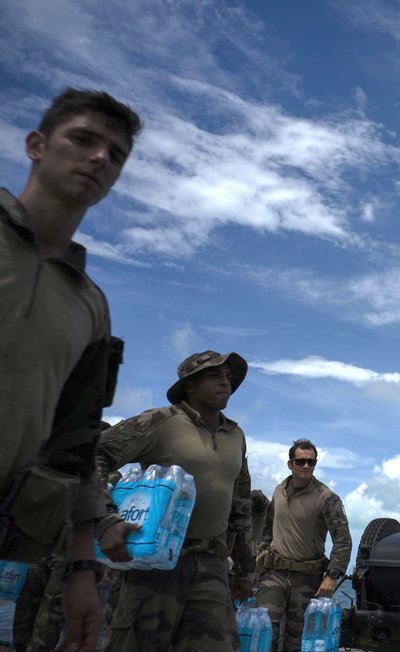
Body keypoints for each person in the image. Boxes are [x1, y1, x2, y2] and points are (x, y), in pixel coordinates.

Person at [0, 88, 141, 652]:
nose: (100, 158)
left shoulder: (91, 307)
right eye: (83, 139)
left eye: (116, 153)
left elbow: (75, 443)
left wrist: (83, 568)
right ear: (36, 145)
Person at [94, 350, 255, 651]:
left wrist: (245, 571)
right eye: (214, 376)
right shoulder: (160, 421)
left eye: (229, 378)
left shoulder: (236, 435)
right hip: (155, 562)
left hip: (211, 565)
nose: (226, 383)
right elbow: (94, 454)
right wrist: (105, 519)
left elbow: (241, 505)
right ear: (189, 386)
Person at [255, 438, 352, 651]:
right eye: (300, 462)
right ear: (290, 464)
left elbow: (343, 540)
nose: (306, 466)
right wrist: (261, 557)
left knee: (297, 640)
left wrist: (332, 577)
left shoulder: (326, 497)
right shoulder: (279, 490)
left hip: (307, 578)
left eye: (311, 462)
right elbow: (268, 529)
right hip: (275, 575)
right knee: (263, 632)